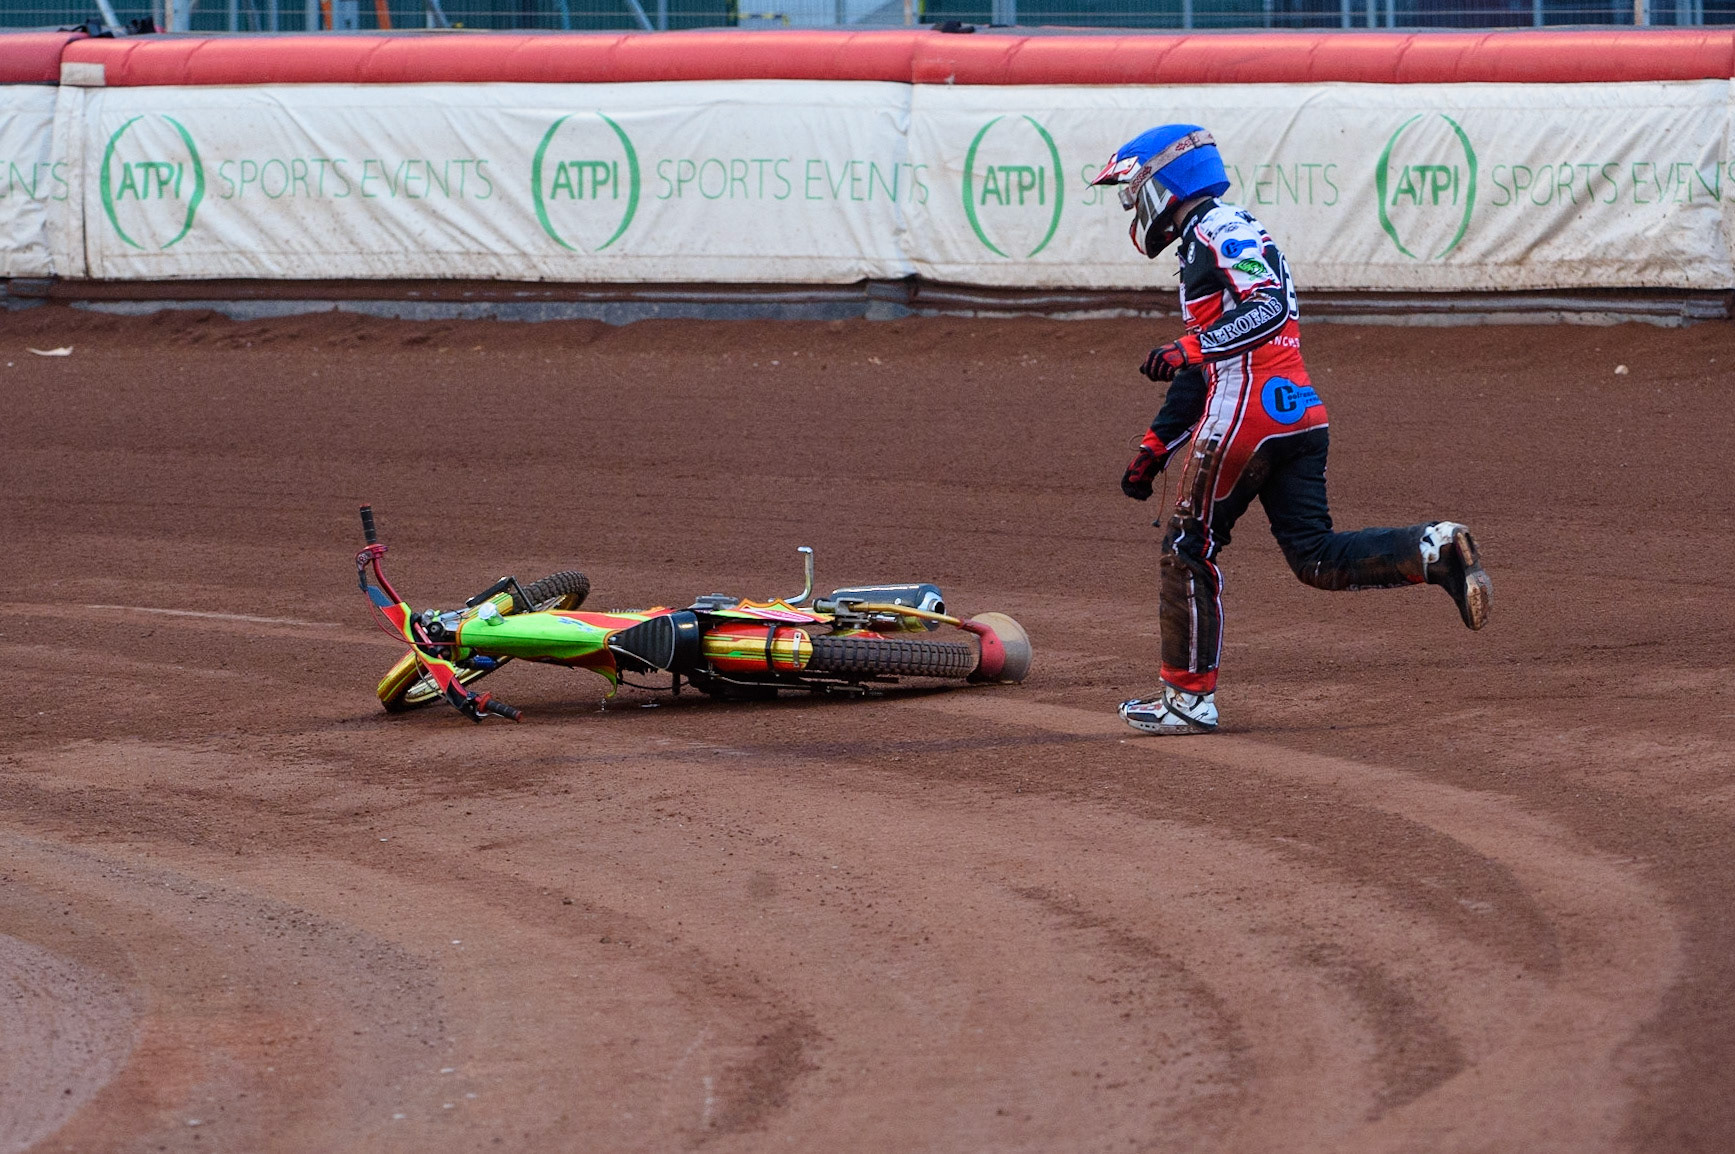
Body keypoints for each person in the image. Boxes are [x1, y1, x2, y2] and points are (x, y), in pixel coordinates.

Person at [1091, 124, 1491, 736]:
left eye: (1131, 190)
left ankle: (1187, 699)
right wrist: (1156, 444)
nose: (1129, 206)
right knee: (1313, 555)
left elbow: (1267, 307)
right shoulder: (1218, 234)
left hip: (1244, 413)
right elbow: (1214, 357)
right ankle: (1432, 548)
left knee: (1186, 547)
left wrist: (1190, 346)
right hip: (1299, 411)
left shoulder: (1217, 229)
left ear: (1163, 182)